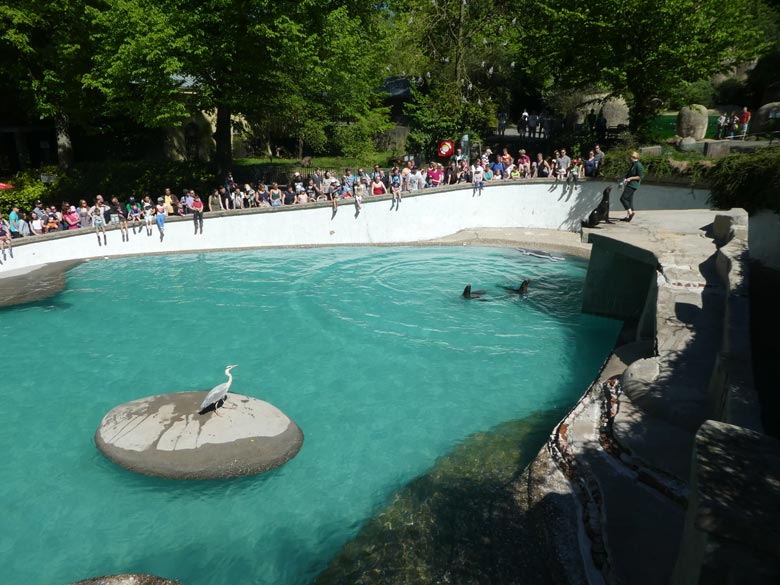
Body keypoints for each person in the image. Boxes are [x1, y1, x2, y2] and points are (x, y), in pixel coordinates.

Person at [620, 151, 644, 222]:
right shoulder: (633, 164)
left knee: (623, 198)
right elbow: (629, 173)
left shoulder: (638, 165)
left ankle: (630, 213)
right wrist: (625, 178)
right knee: (629, 200)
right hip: (629, 184)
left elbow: (640, 176)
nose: (629, 158)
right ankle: (628, 217)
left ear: (634, 157)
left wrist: (630, 178)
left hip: (633, 185)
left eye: (630, 157)